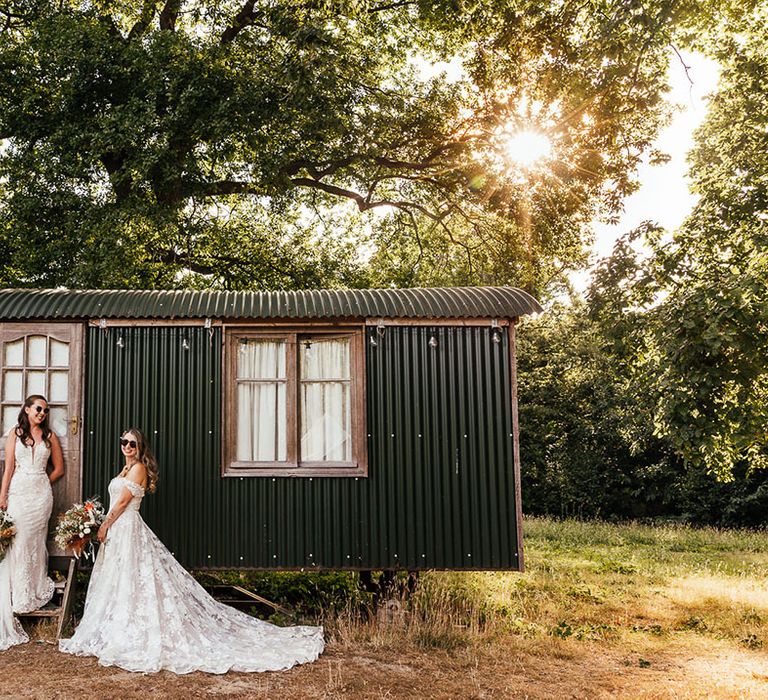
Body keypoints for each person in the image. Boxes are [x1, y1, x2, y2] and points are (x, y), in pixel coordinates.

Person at [59, 428, 324, 673]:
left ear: (140, 447)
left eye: (132, 443)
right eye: (123, 442)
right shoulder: (125, 468)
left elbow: (123, 502)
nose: (127, 446)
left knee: (133, 576)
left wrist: (105, 523)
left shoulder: (138, 468)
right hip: (117, 529)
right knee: (119, 579)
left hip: (126, 527)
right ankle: (117, 627)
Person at [0, 395, 65, 650]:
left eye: (46, 410)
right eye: (38, 408)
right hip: (18, 494)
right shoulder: (15, 434)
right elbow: (9, 467)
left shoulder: (50, 437)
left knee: (36, 542)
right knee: (20, 539)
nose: (42, 413)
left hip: (40, 495)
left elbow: (58, 468)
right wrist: (3, 495)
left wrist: (42, 483)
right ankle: (18, 594)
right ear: (27, 409)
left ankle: (34, 591)